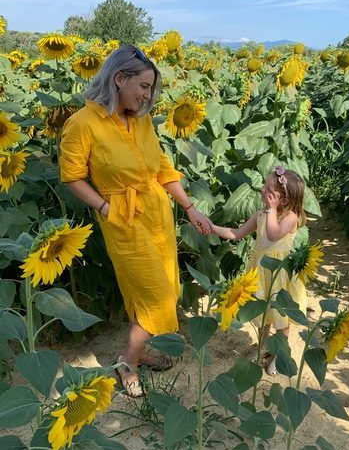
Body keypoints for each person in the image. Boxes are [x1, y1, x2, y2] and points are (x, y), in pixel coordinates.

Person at [60, 44, 212, 397]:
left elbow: (161, 168)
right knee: (154, 295)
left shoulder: (141, 121)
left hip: (157, 215)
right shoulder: (83, 124)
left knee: (163, 288)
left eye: (150, 89)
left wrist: (189, 208)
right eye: (143, 87)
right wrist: (104, 208)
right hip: (123, 218)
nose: (148, 96)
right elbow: (71, 176)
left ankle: (139, 352)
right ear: (119, 78)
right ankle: (128, 361)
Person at [212, 166, 307, 375]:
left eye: (268, 188)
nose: (262, 189)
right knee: (263, 313)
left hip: (279, 275)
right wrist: (213, 227)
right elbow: (236, 234)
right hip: (260, 272)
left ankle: (278, 355)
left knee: (280, 317)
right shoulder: (260, 215)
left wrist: (272, 210)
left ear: (281, 199)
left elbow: (273, 235)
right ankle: (264, 345)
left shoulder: (290, 217)